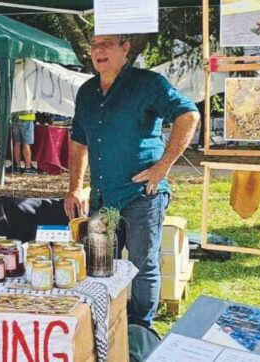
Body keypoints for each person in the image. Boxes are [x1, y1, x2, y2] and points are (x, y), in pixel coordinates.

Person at [64, 34, 200, 330]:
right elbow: (78, 143)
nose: (99, 50)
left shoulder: (148, 83)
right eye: (95, 45)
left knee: (142, 265)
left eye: (107, 44)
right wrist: (75, 187)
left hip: (143, 193)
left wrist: (164, 166)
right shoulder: (86, 91)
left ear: (125, 48)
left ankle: (140, 330)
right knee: (99, 263)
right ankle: (104, 324)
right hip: (103, 197)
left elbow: (188, 114)